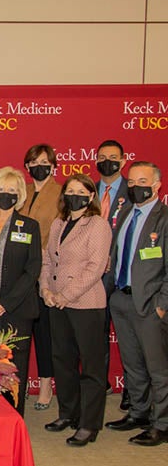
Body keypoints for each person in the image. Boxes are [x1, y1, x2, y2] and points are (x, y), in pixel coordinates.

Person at [40, 174, 112, 446]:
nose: (74, 195)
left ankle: (89, 424)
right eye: (70, 191)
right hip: (56, 303)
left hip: (85, 304)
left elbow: (95, 268)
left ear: (91, 195)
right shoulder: (59, 223)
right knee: (63, 361)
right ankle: (68, 413)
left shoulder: (97, 225)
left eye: (81, 191)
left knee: (91, 367)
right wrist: (46, 290)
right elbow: (48, 261)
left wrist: (65, 296)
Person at [105, 162, 168, 446]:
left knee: (158, 369)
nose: (135, 187)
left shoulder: (164, 218)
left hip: (150, 304)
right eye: (131, 182)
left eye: (142, 181)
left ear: (157, 185)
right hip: (122, 298)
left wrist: (162, 304)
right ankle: (139, 413)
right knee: (133, 365)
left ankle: (162, 424)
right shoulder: (127, 212)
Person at [0, 167, 42, 416]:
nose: (6, 194)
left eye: (11, 190)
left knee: (14, 367)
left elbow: (33, 269)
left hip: (16, 309)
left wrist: (7, 303)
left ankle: (14, 417)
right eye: (1, 189)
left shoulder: (29, 226)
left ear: (20, 194)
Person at [18, 143, 62, 411]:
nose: (39, 166)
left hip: (46, 275)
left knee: (45, 334)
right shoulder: (21, 192)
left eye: (44, 161)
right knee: (20, 334)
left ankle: (45, 384)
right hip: (21, 275)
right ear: (27, 167)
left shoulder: (60, 193)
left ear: (53, 165)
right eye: (33, 162)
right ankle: (18, 383)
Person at [94, 139, 131, 409]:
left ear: (123, 160)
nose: (108, 160)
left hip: (122, 278)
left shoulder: (134, 192)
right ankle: (100, 385)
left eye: (113, 156)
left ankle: (132, 390)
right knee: (95, 337)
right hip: (93, 279)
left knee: (130, 338)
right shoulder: (87, 191)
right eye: (102, 156)